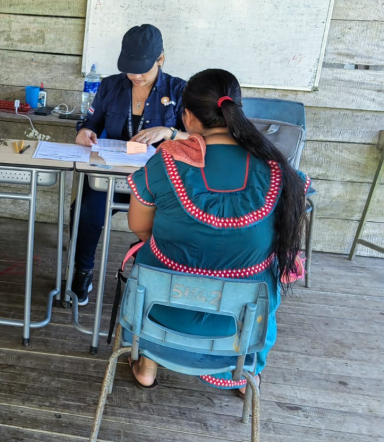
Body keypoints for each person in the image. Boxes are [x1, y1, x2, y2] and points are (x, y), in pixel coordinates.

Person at [125, 68, 310, 393]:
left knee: (151, 257)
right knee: (268, 270)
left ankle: (147, 365)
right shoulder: (279, 171)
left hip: (163, 317)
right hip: (238, 326)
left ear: (188, 117)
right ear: (236, 111)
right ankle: (242, 374)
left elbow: (139, 227)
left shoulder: (166, 162)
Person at [71, 24, 187, 304]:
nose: (135, 76)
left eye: (142, 69)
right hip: (111, 177)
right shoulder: (111, 85)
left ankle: (154, 277)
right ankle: (82, 271)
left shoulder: (179, 90)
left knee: (170, 222)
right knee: (84, 212)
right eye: (130, 69)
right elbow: (90, 124)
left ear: (160, 59)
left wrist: (169, 132)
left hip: (158, 183)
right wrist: (83, 132)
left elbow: (199, 139)